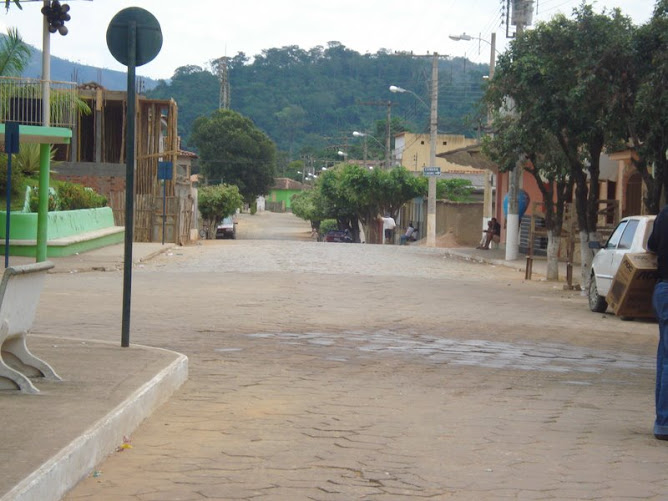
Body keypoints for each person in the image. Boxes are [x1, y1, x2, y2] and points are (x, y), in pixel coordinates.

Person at [648, 207, 668, 440]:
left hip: (663, 289)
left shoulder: (664, 215)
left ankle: (662, 421)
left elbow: (651, 246)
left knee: (664, 357)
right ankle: (663, 422)